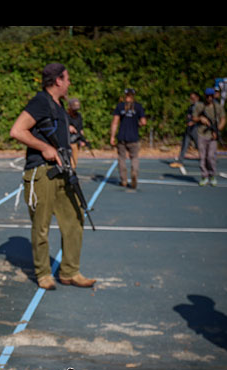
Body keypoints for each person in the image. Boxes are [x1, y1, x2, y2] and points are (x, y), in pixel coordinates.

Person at [10, 63, 96, 291]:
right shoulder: (41, 101)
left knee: (75, 218)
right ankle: (43, 274)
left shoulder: (59, 106)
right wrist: (44, 148)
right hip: (42, 172)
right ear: (58, 80)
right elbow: (17, 130)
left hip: (63, 173)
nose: (69, 83)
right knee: (41, 226)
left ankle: (70, 271)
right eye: (67, 78)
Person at [110, 88, 147, 189]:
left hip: (122, 136)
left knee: (121, 158)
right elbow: (144, 122)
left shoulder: (120, 106)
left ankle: (124, 180)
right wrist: (138, 124)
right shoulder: (138, 107)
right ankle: (134, 173)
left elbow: (115, 122)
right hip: (134, 137)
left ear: (125, 95)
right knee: (134, 157)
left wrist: (112, 136)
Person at [193, 87, 226, 186]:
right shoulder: (200, 106)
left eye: (211, 96)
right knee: (202, 157)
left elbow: (223, 119)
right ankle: (204, 176)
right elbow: (194, 117)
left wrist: (217, 130)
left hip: (212, 135)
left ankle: (212, 175)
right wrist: (200, 119)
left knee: (210, 156)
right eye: (207, 96)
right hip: (202, 134)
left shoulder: (218, 107)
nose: (209, 98)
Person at [170, 91, 201, 171]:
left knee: (199, 146)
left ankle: (205, 161)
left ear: (197, 97)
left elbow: (201, 117)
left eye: (193, 98)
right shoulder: (191, 106)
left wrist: (194, 122)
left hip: (196, 128)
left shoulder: (200, 106)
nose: (192, 99)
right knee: (185, 144)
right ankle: (180, 161)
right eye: (191, 98)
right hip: (189, 128)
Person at [67, 97, 86, 168]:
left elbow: (81, 129)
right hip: (67, 141)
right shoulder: (65, 115)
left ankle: (72, 173)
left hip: (76, 141)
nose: (75, 111)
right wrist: (68, 127)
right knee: (69, 161)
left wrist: (82, 140)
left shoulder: (79, 116)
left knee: (74, 162)